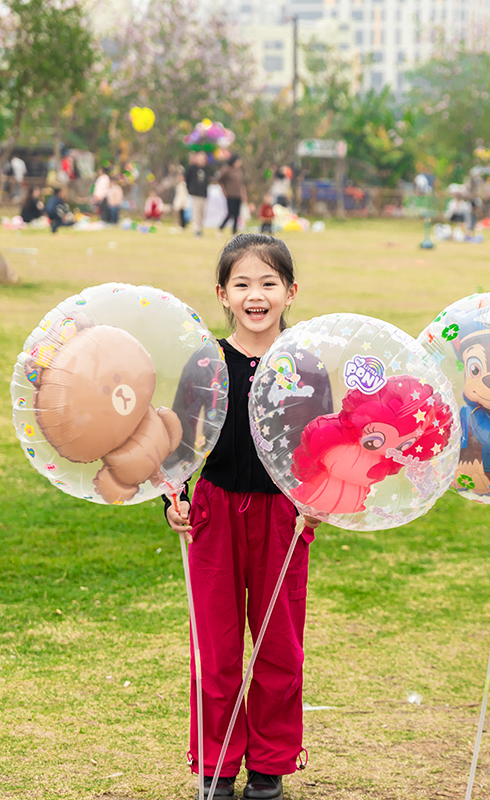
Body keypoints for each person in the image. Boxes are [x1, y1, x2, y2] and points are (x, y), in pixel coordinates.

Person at [164, 234, 319, 800]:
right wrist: (174, 501)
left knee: (279, 644)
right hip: (213, 510)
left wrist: (316, 500)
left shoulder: (304, 363)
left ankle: (270, 765)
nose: (256, 295)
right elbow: (179, 439)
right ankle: (216, 765)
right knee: (217, 645)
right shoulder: (206, 362)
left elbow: (322, 443)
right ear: (223, 295)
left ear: (290, 291)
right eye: (243, 284)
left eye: (269, 283)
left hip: (284, 515)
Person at [217, 155, 247, 236]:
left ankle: (234, 231)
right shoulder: (227, 170)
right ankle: (221, 228)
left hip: (238, 195)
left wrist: (243, 194)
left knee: (237, 214)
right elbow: (220, 180)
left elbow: (241, 184)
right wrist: (224, 190)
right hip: (230, 195)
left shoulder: (238, 171)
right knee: (230, 213)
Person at [186, 152, 211, 237]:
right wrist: (189, 189)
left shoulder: (207, 169)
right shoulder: (192, 168)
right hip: (195, 193)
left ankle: (200, 229)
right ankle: (196, 229)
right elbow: (187, 179)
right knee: (196, 212)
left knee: (202, 213)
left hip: (203, 193)